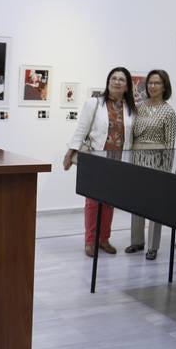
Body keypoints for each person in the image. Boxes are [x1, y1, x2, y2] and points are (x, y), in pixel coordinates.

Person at [65, 67, 135, 257]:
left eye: (122, 79)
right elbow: (81, 129)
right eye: (114, 78)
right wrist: (70, 153)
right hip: (96, 160)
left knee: (109, 201)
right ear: (108, 81)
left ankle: (104, 239)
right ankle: (90, 241)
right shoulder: (94, 103)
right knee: (93, 202)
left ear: (127, 86)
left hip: (118, 161)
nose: (117, 81)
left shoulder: (131, 109)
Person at [126, 70, 176, 260]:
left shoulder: (169, 112)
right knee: (137, 201)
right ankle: (136, 241)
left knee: (154, 204)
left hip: (157, 159)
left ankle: (153, 246)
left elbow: (170, 144)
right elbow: (131, 137)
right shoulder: (138, 107)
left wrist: (166, 169)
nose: (152, 86)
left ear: (165, 86)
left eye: (157, 83)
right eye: (150, 83)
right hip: (137, 158)